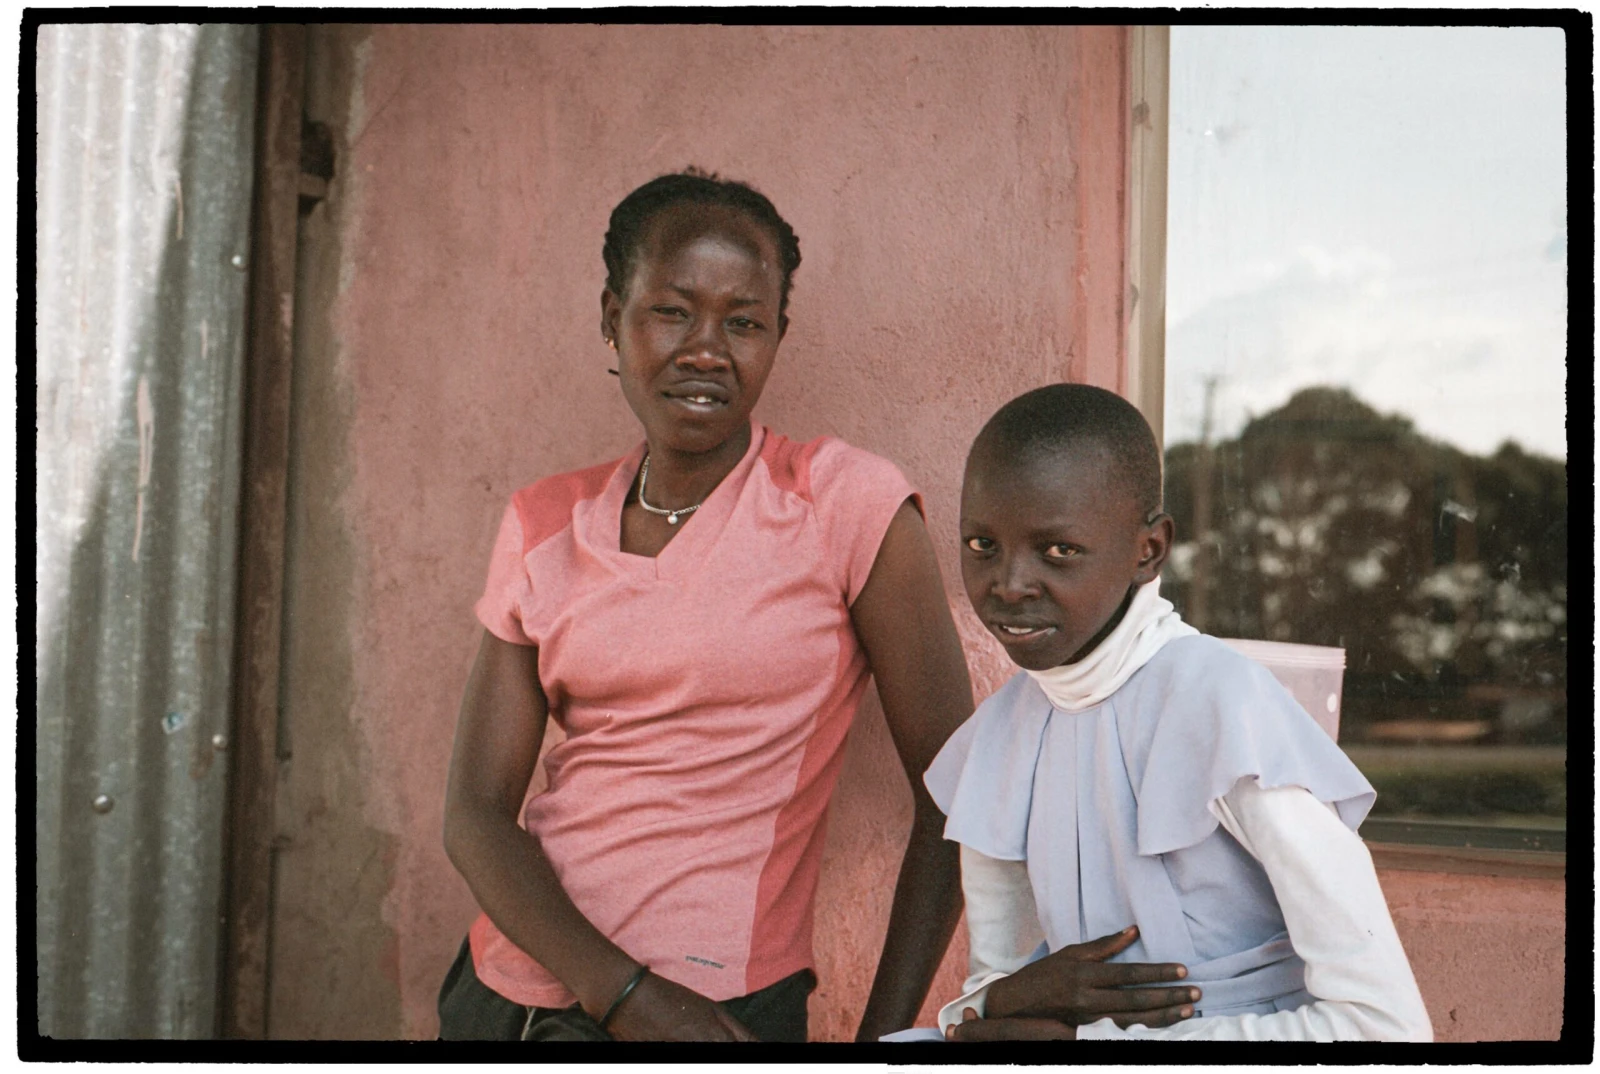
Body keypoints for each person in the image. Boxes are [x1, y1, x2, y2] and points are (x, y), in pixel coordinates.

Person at [437, 169, 974, 1042]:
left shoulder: (844, 506)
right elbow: (476, 815)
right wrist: (625, 995)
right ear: (613, 316)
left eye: (744, 321)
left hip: (723, 1015)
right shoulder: (544, 523)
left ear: (777, 337)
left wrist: (882, 1048)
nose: (706, 349)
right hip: (510, 1001)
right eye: (671, 310)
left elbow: (957, 801)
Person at [929, 383, 1432, 1042]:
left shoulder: (1221, 707)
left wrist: (1094, 1045)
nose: (1008, 583)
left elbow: (1385, 1029)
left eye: (1058, 551)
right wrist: (996, 1005)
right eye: (981, 545)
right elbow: (985, 1008)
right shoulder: (996, 740)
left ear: (1150, 550)